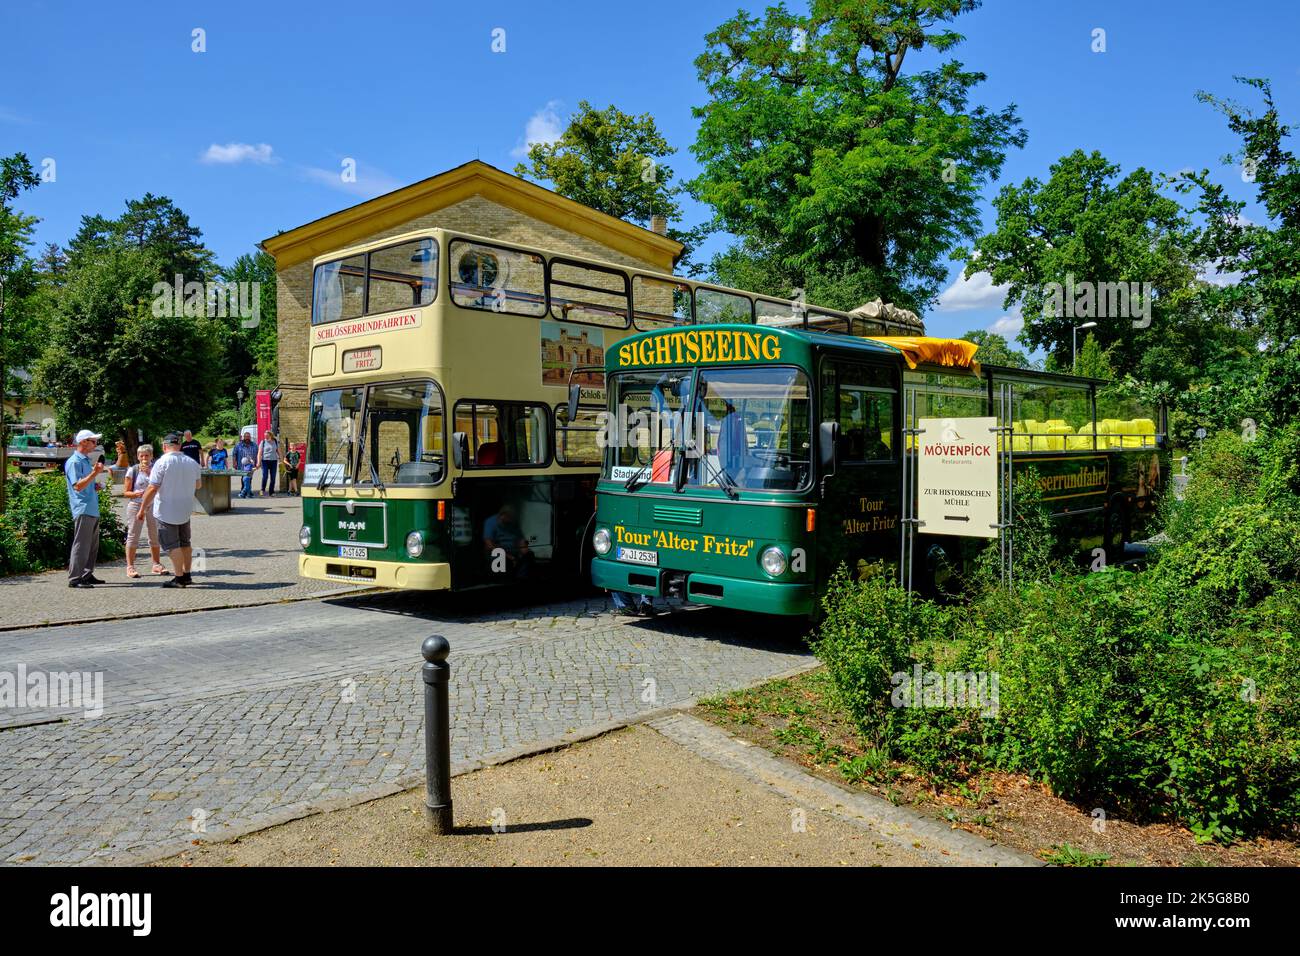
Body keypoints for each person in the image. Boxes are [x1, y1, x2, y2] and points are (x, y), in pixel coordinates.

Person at [136, 433, 201, 588]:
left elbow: (152, 487)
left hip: (166, 510)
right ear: (179, 445)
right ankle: (187, 575)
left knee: (172, 545)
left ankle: (178, 578)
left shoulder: (162, 462)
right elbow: (198, 485)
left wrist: (142, 508)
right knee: (185, 543)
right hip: (185, 510)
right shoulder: (192, 462)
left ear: (165, 446)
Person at [64, 429, 106, 588]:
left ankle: (86, 574)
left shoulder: (85, 461)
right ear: (83, 442)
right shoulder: (74, 462)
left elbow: (86, 484)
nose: (96, 444)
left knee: (92, 545)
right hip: (82, 508)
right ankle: (75, 578)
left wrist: (95, 485)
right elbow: (77, 486)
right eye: (93, 441)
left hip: (91, 508)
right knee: (81, 544)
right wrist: (95, 473)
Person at [122, 444, 167, 579]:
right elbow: (126, 492)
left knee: (155, 535)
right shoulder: (133, 470)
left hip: (153, 506)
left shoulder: (156, 470)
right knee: (133, 535)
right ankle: (130, 567)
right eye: (141, 456)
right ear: (137, 457)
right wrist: (136, 494)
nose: (144, 458)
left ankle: (156, 564)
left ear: (152, 456)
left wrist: (148, 473)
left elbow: (162, 487)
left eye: (147, 455)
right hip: (136, 505)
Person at [482, 504, 532, 578]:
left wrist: (524, 547)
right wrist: (509, 557)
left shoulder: (513, 523)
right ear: (503, 515)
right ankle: (502, 580)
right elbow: (489, 543)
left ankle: (521, 579)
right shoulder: (491, 522)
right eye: (509, 517)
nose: (511, 519)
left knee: (528, 555)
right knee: (500, 556)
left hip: (514, 550)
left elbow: (521, 538)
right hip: (498, 551)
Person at [257, 430, 280, 496]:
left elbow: (279, 451)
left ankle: (271, 491)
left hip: (274, 461)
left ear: (270, 435)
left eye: (267, 436)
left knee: (273, 477)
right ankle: (262, 489)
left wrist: (281, 460)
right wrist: (258, 462)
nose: (266, 437)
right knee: (265, 476)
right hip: (265, 461)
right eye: (265, 436)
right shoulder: (263, 442)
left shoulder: (275, 441)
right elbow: (259, 453)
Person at [233, 432, 257, 499]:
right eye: (246, 436)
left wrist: (257, 463)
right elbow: (234, 454)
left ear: (250, 437)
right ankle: (244, 491)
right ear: (244, 437)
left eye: (248, 437)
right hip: (242, 465)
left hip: (251, 465)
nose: (247, 438)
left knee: (249, 478)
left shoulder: (254, 445)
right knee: (244, 478)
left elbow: (258, 454)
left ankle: (248, 492)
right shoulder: (238, 445)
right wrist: (234, 463)